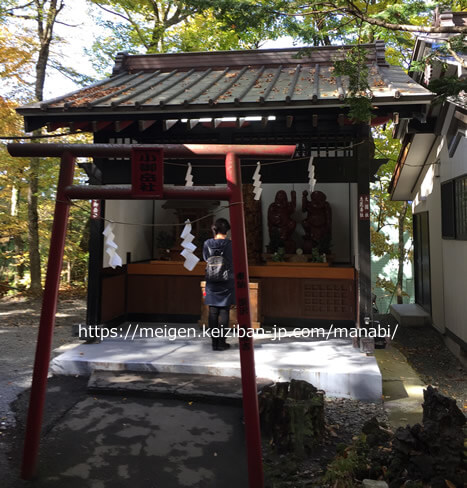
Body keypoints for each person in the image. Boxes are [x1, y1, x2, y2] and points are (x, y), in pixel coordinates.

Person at [203, 218, 235, 351]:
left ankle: (214, 342)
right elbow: (232, 260)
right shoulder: (230, 244)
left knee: (213, 311)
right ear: (226, 230)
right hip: (226, 281)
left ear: (214, 230)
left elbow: (205, 258)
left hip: (211, 280)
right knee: (224, 310)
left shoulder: (207, 243)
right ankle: (222, 342)